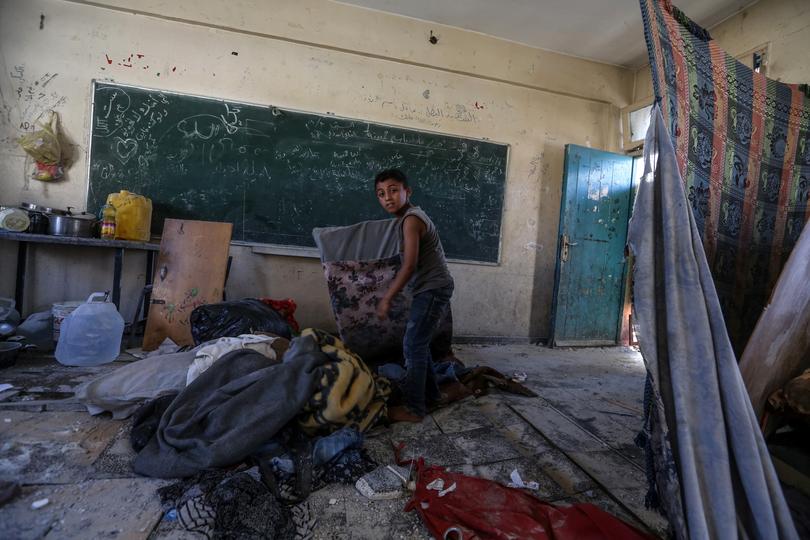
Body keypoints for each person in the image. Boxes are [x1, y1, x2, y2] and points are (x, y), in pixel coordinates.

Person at [374, 168, 454, 423]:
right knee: (418, 343)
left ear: (408, 192)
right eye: (381, 193)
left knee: (412, 345)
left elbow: (409, 266)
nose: (387, 197)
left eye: (393, 190)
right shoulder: (408, 218)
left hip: (434, 287)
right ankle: (432, 395)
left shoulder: (411, 219)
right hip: (432, 286)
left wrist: (387, 298)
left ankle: (414, 408)